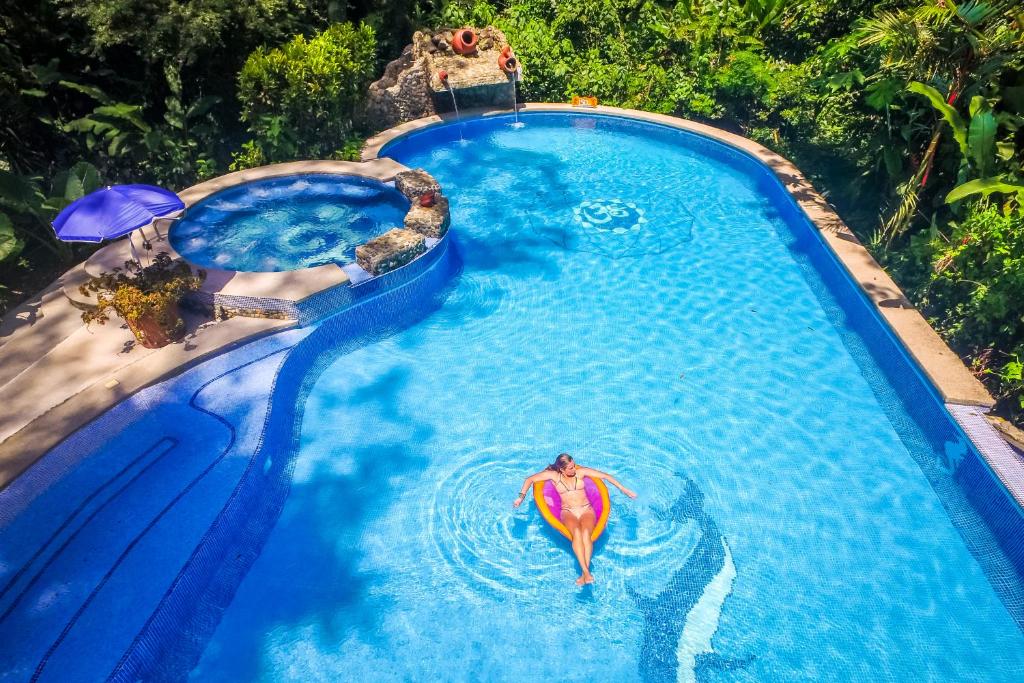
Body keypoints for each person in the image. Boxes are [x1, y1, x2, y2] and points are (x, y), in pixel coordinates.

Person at [513, 453, 637, 585]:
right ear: (561, 469)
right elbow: (529, 479)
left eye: (573, 466)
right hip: (568, 512)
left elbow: (605, 476)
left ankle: (585, 573)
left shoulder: (580, 472)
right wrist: (521, 497)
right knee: (576, 533)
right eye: (570, 468)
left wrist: (624, 490)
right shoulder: (554, 476)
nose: (574, 469)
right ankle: (586, 572)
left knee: (586, 534)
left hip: (586, 510)